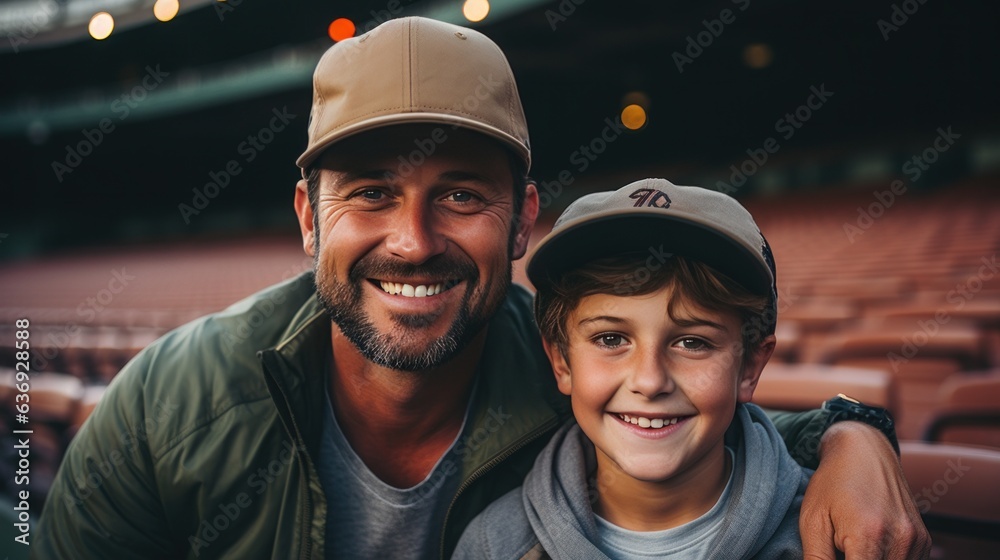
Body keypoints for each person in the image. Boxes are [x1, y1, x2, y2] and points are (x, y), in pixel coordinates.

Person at [33, 16, 929, 560]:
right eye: (371, 193)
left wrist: (856, 435)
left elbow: (717, 420)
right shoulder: (170, 403)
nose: (413, 242)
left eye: (459, 195)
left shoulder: (570, 367)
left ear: (524, 219)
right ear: (308, 219)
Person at [454, 178, 812, 559]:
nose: (650, 380)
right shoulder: (493, 545)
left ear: (750, 368)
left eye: (693, 343)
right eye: (611, 340)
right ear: (561, 361)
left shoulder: (838, 532)